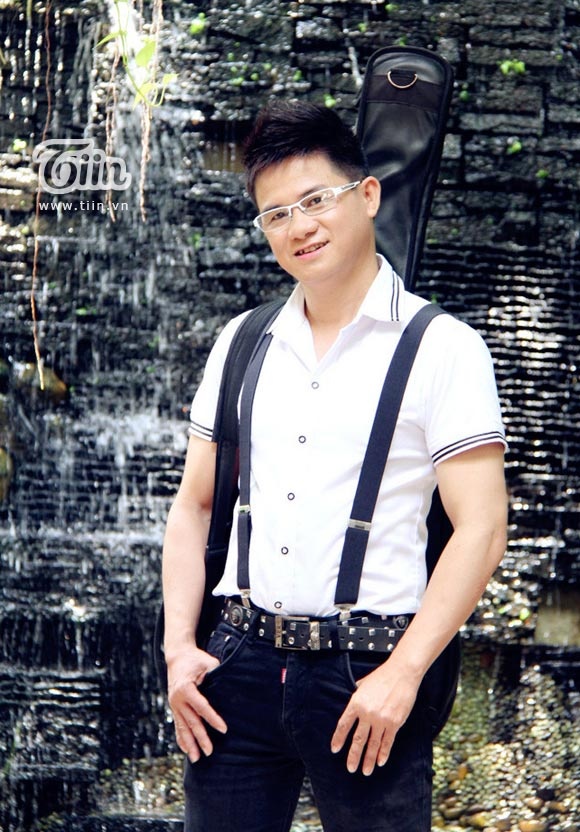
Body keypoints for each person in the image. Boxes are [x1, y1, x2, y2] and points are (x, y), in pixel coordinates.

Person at [162, 101, 508, 832]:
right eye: (276, 214)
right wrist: (179, 650)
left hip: (368, 670)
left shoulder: (443, 347)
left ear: (368, 195)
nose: (299, 227)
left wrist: (404, 673)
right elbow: (195, 505)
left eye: (316, 200)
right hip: (237, 663)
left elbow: (481, 528)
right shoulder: (241, 342)